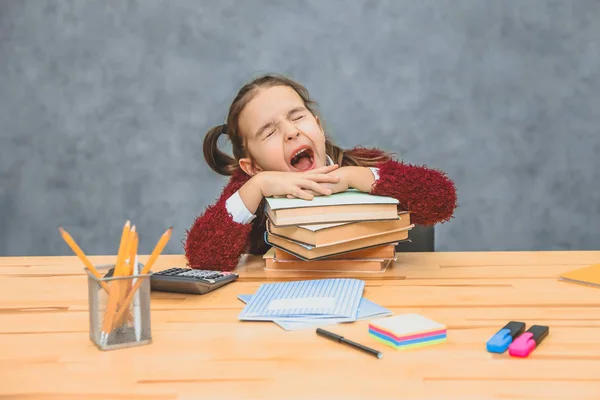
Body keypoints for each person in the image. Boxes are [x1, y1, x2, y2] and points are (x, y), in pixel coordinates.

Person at [184, 74, 458, 271]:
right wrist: (257, 186)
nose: (291, 132)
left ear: (318, 126)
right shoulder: (250, 187)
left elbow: (441, 200)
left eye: (297, 117)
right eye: (269, 132)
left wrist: (354, 178)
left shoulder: (361, 165)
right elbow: (203, 261)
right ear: (252, 166)